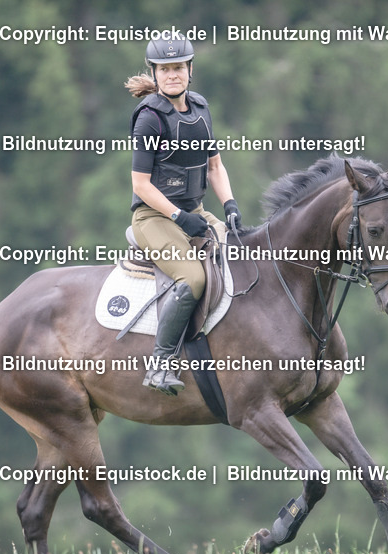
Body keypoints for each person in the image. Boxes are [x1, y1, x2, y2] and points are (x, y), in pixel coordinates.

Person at [125, 36, 242, 396]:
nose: (173, 75)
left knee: (243, 257)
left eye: (178, 68)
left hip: (195, 212)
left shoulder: (201, 110)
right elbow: (142, 185)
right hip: (153, 218)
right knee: (192, 278)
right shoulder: (149, 119)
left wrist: (230, 205)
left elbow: (215, 167)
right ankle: (160, 364)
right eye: (165, 69)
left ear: (190, 70)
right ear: (155, 74)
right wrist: (179, 216)